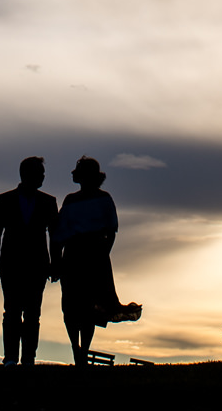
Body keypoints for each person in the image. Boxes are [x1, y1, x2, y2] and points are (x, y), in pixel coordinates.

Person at [51, 156, 142, 365]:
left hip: (91, 256)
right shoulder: (71, 200)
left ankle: (82, 351)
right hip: (77, 256)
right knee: (73, 305)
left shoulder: (103, 199)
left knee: (88, 305)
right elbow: (60, 233)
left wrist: (102, 254)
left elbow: (111, 231)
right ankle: (77, 348)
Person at [0, 156, 59, 366]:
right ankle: (11, 357)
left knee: (32, 314)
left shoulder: (49, 202)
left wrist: (56, 265)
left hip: (37, 265)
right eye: (40, 173)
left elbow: (55, 237)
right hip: (11, 264)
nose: (43, 177)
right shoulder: (4, 200)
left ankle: (28, 357)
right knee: (12, 312)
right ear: (27, 174)